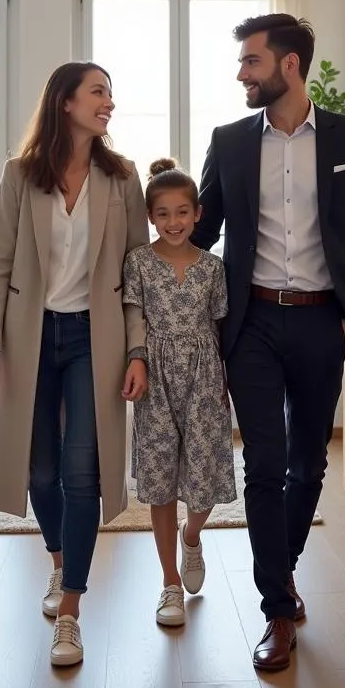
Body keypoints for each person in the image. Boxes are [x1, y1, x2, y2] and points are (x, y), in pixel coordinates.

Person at [191, 13, 345, 672]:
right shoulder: (228, 141)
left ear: (288, 65)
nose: (241, 74)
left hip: (320, 323)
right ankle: (277, 609)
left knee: (310, 464)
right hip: (250, 324)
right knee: (265, 465)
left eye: (250, 61)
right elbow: (199, 235)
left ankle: (284, 568)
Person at [0, 61, 149, 668]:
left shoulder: (121, 178)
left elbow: (135, 277)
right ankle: (58, 561)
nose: (109, 103)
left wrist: (137, 349)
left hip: (91, 340)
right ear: (66, 102)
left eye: (110, 92)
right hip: (30, 338)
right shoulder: (21, 175)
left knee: (83, 474)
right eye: (99, 92)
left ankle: (70, 610)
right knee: (38, 472)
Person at [122, 158, 236, 628]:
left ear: (198, 213)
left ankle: (193, 536)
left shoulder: (213, 267)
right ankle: (169, 582)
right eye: (164, 213)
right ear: (151, 216)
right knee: (160, 481)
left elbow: (220, 324)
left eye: (182, 212)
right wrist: (138, 362)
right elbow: (135, 318)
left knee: (204, 478)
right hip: (156, 379)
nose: (174, 222)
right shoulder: (139, 263)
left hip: (206, 376)